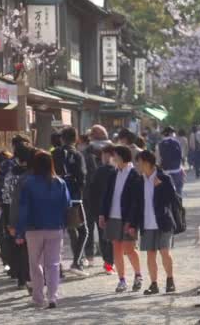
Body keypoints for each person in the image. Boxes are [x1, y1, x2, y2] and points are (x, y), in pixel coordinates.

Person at [16, 151, 71, 309]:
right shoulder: (60, 183)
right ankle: (53, 297)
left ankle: (38, 297)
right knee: (53, 264)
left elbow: (24, 209)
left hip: (33, 228)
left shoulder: (29, 183)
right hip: (55, 227)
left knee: (35, 264)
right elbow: (66, 205)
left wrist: (20, 231)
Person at [132, 150, 178, 295]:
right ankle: (154, 284)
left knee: (164, 251)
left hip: (163, 221)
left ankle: (170, 281)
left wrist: (161, 186)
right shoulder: (139, 181)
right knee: (150, 254)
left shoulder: (164, 177)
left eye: (138, 162)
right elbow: (136, 205)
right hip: (147, 223)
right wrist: (133, 224)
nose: (137, 165)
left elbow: (173, 199)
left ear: (146, 162)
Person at [99, 146, 144, 293]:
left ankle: (138, 275)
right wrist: (103, 214)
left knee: (129, 249)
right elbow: (106, 195)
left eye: (116, 156)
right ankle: (122, 280)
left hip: (127, 218)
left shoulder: (134, 174)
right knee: (116, 248)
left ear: (123, 157)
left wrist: (131, 222)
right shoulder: (113, 173)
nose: (113, 158)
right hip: (113, 216)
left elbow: (136, 201)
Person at [52, 127, 89, 276]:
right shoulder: (77, 155)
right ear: (76, 139)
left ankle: (58, 267)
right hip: (73, 198)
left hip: (55, 197)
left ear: (62, 139)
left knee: (58, 232)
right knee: (83, 230)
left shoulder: (53, 154)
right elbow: (82, 177)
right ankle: (76, 262)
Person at [82, 125, 113, 267]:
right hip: (107, 196)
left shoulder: (86, 151)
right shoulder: (112, 149)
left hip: (89, 195)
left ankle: (89, 257)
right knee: (104, 230)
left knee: (88, 227)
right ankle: (108, 262)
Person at [8, 145, 37, 292]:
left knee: (26, 252)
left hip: (26, 222)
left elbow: (16, 203)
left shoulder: (23, 178)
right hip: (47, 223)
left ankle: (28, 280)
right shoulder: (50, 177)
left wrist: (13, 224)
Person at [89, 144, 117, 275]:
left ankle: (109, 263)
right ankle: (110, 263)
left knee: (103, 237)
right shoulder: (116, 171)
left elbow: (92, 191)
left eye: (106, 154)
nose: (104, 157)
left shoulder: (100, 171)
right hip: (111, 209)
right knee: (110, 238)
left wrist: (94, 209)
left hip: (100, 209)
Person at [156, 126, 185, 196]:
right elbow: (181, 156)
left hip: (165, 170)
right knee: (179, 189)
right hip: (176, 170)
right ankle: (179, 204)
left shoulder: (160, 144)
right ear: (171, 133)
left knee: (166, 191)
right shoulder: (176, 142)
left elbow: (158, 159)